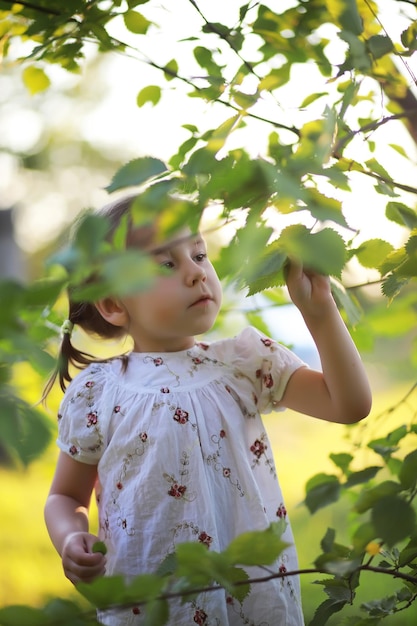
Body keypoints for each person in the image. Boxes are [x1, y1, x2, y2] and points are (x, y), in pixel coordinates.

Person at [44, 193, 372, 626]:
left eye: (199, 254)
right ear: (113, 304)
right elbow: (65, 496)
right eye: (166, 264)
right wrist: (70, 537)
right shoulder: (98, 391)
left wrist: (320, 312)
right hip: (155, 605)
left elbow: (347, 404)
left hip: (253, 597)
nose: (197, 272)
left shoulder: (245, 362)